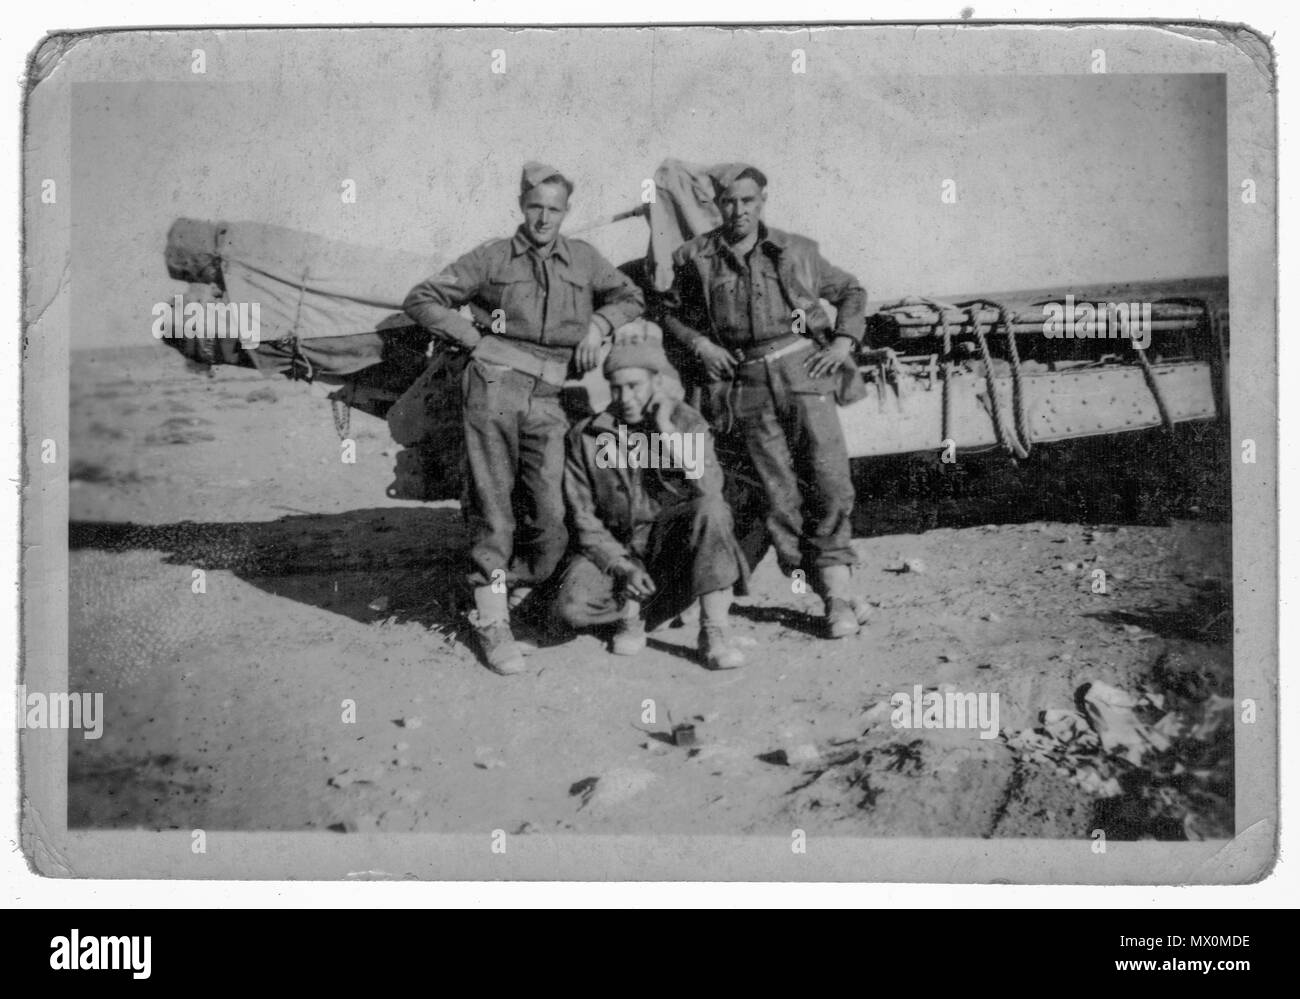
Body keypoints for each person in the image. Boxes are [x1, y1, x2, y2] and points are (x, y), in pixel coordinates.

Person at [404, 162, 645, 674]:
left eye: (554, 209)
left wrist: (600, 323)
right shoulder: (493, 256)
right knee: (493, 507)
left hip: (552, 395)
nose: (543, 217)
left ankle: (520, 596)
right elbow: (423, 298)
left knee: (550, 511)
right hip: (494, 389)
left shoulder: (583, 258)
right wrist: (476, 342)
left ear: (566, 212)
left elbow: (630, 296)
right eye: (535, 206)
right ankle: (491, 618)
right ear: (521, 204)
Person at [659, 164, 868, 639]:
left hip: (804, 374)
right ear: (717, 205)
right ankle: (830, 593)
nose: (738, 211)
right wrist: (700, 345)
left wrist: (842, 344)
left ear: (763, 200)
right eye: (729, 202)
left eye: (748, 201)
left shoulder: (798, 250)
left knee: (830, 480)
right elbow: (670, 314)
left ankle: (838, 592)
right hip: (747, 385)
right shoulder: (695, 257)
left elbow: (851, 290)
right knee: (779, 497)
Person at [548, 341, 748, 670]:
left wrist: (667, 432)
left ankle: (714, 631)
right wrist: (621, 566)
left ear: (656, 382)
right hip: (622, 547)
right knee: (570, 607)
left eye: (634, 386)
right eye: (616, 388)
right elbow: (583, 517)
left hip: (671, 546)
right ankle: (640, 608)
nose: (625, 398)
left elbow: (710, 488)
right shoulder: (589, 435)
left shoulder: (685, 421)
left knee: (711, 509)